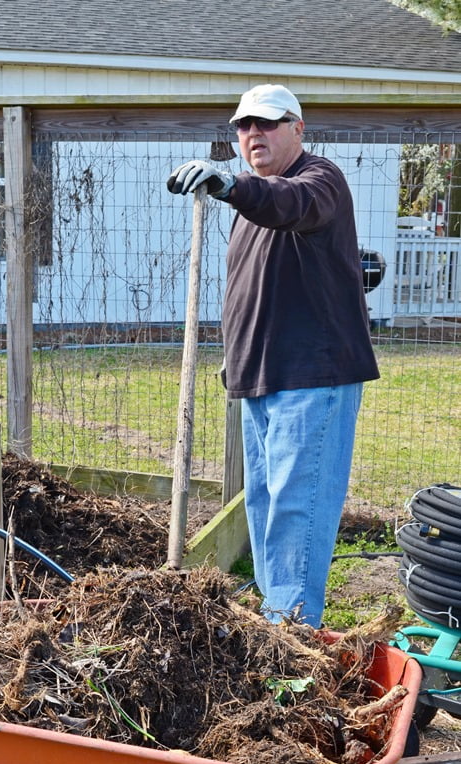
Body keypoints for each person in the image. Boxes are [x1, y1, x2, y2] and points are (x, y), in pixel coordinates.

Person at [167, 83, 379, 628]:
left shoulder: (317, 180)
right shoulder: (249, 206)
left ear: (298, 129)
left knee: (296, 510)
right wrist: (233, 359)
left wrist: (231, 185)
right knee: (262, 508)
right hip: (259, 379)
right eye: (243, 126)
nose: (253, 134)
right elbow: (250, 292)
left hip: (313, 379)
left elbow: (292, 206)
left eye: (267, 123)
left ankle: (291, 630)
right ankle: (276, 618)